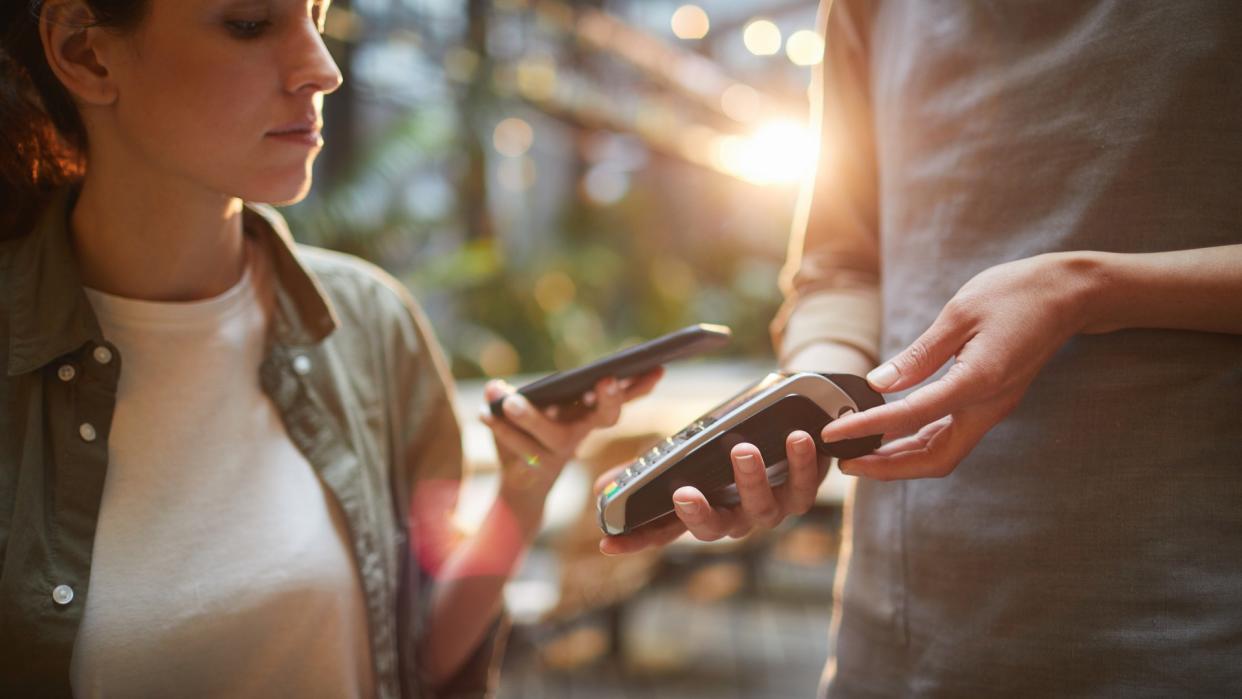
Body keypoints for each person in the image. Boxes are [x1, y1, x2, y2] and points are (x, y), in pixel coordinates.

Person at [0, 1, 660, 696]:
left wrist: (524, 490)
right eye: (251, 23)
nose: (324, 69)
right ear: (85, 52)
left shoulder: (369, 323)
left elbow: (417, 658)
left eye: (317, 14)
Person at [604, 1, 1242, 695]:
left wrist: (1093, 289)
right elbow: (840, 264)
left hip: (1186, 616)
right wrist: (816, 395)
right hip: (899, 632)